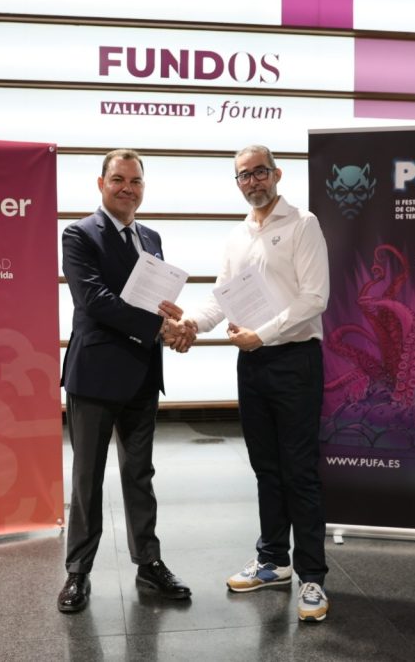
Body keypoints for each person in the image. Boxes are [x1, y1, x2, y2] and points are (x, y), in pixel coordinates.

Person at [170, 144, 331, 622]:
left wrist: (263, 334)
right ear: (237, 182)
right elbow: (223, 300)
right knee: (266, 468)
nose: (253, 181)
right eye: (244, 175)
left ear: (277, 175)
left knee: (300, 471)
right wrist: (190, 324)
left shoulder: (303, 224)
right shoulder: (237, 236)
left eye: (261, 172)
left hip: (295, 360)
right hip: (253, 364)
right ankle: (273, 561)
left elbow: (315, 298)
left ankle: (313, 578)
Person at [58, 149, 195, 613]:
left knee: (140, 474)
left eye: (135, 181)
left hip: (141, 374)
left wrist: (170, 317)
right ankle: (78, 572)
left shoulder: (151, 237)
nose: (127, 189)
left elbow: (150, 300)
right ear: (101, 184)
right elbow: (94, 300)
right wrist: (158, 327)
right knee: (87, 478)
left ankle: (149, 563)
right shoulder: (79, 234)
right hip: (95, 375)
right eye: (118, 179)